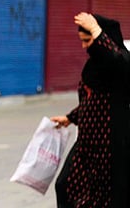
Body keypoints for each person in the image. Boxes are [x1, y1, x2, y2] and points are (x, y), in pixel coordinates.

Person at [51, 12, 130, 207]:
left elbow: (120, 63)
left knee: (106, 198)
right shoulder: (94, 65)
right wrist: (70, 117)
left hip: (109, 147)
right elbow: (92, 100)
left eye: (88, 40)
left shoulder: (119, 62)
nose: (84, 46)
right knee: (65, 186)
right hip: (87, 144)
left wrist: (96, 30)